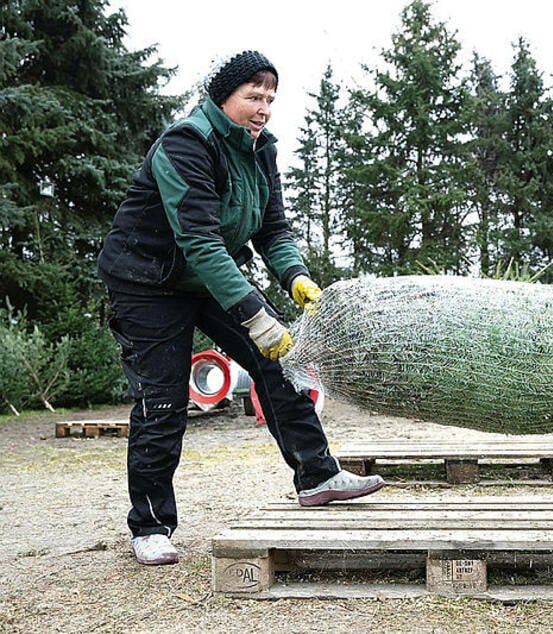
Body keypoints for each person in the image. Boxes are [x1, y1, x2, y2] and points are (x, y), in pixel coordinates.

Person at [97, 50, 385, 566]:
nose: (264, 108)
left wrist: (296, 275)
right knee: (162, 399)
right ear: (222, 97)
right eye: (254, 96)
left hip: (206, 277)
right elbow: (200, 241)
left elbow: (273, 227)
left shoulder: (260, 149)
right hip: (149, 280)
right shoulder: (185, 143)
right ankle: (150, 526)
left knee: (281, 363)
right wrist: (257, 316)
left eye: (270, 98)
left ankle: (317, 476)